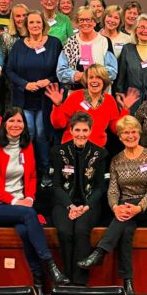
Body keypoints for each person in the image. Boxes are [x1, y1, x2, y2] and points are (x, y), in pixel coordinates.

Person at [0, 108, 70, 288]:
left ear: (24, 125)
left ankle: (38, 280)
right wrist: (14, 201)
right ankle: (51, 265)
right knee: (29, 215)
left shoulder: (27, 146)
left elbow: (31, 177)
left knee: (24, 231)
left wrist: (29, 197)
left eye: (19, 121)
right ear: (4, 124)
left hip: (22, 206)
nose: (15, 125)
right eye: (11, 121)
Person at [77, 116, 147, 295]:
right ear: (120, 138)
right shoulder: (116, 160)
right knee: (126, 229)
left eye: (133, 132)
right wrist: (115, 207)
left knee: (125, 219)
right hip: (125, 205)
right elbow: (113, 190)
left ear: (139, 133)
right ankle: (128, 282)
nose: (130, 136)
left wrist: (138, 208)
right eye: (125, 133)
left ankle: (100, 252)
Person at [51, 112, 109, 285]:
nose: (81, 134)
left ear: (90, 131)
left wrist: (86, 206)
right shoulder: (58, 151)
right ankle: (66, 279)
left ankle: (80, 282)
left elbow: (100, 187)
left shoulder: (100, 153)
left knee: (82, 230)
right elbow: (56, 186)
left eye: (85, 130)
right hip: (64, 203)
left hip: (89, 204)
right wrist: (70, 206)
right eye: (77, 130)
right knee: (65, 231)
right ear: (71, 130)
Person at [6, 10, 63, 179]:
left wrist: (49, 80)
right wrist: (25, 84)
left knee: (41, 132)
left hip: (46, 98)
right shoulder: (18, 45)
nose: (35, 25)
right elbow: (9, 70)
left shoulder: (54, 43)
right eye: (31, 22)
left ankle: (45, 170)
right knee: (28, 132)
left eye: (38, 22)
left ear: (43, 24)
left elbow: (60, 70)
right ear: (26, 25)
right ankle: (27, 171)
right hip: (24, 99)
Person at [48, 64, 137, 147]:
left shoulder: (109, 100)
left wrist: (125, 109)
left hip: (97, 150)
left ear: (104, 81)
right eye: (91, 77)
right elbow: (59, 125)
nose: (94, 80)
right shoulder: (75, 96)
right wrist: (57, 105)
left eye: (98, 77)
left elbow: (116, 129)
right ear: (86, 81)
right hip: (72, 148)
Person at [57, 6, 118, 90]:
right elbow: (61, 72)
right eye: (81, 20)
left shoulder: (105, 41)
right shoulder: (70, 42)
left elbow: (112, 71)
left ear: (94, 22)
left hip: (101, 95)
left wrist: (88, 75)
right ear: (77, 22)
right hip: (75, 94)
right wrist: (75, 76)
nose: (85, 23)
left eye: (88, 19)